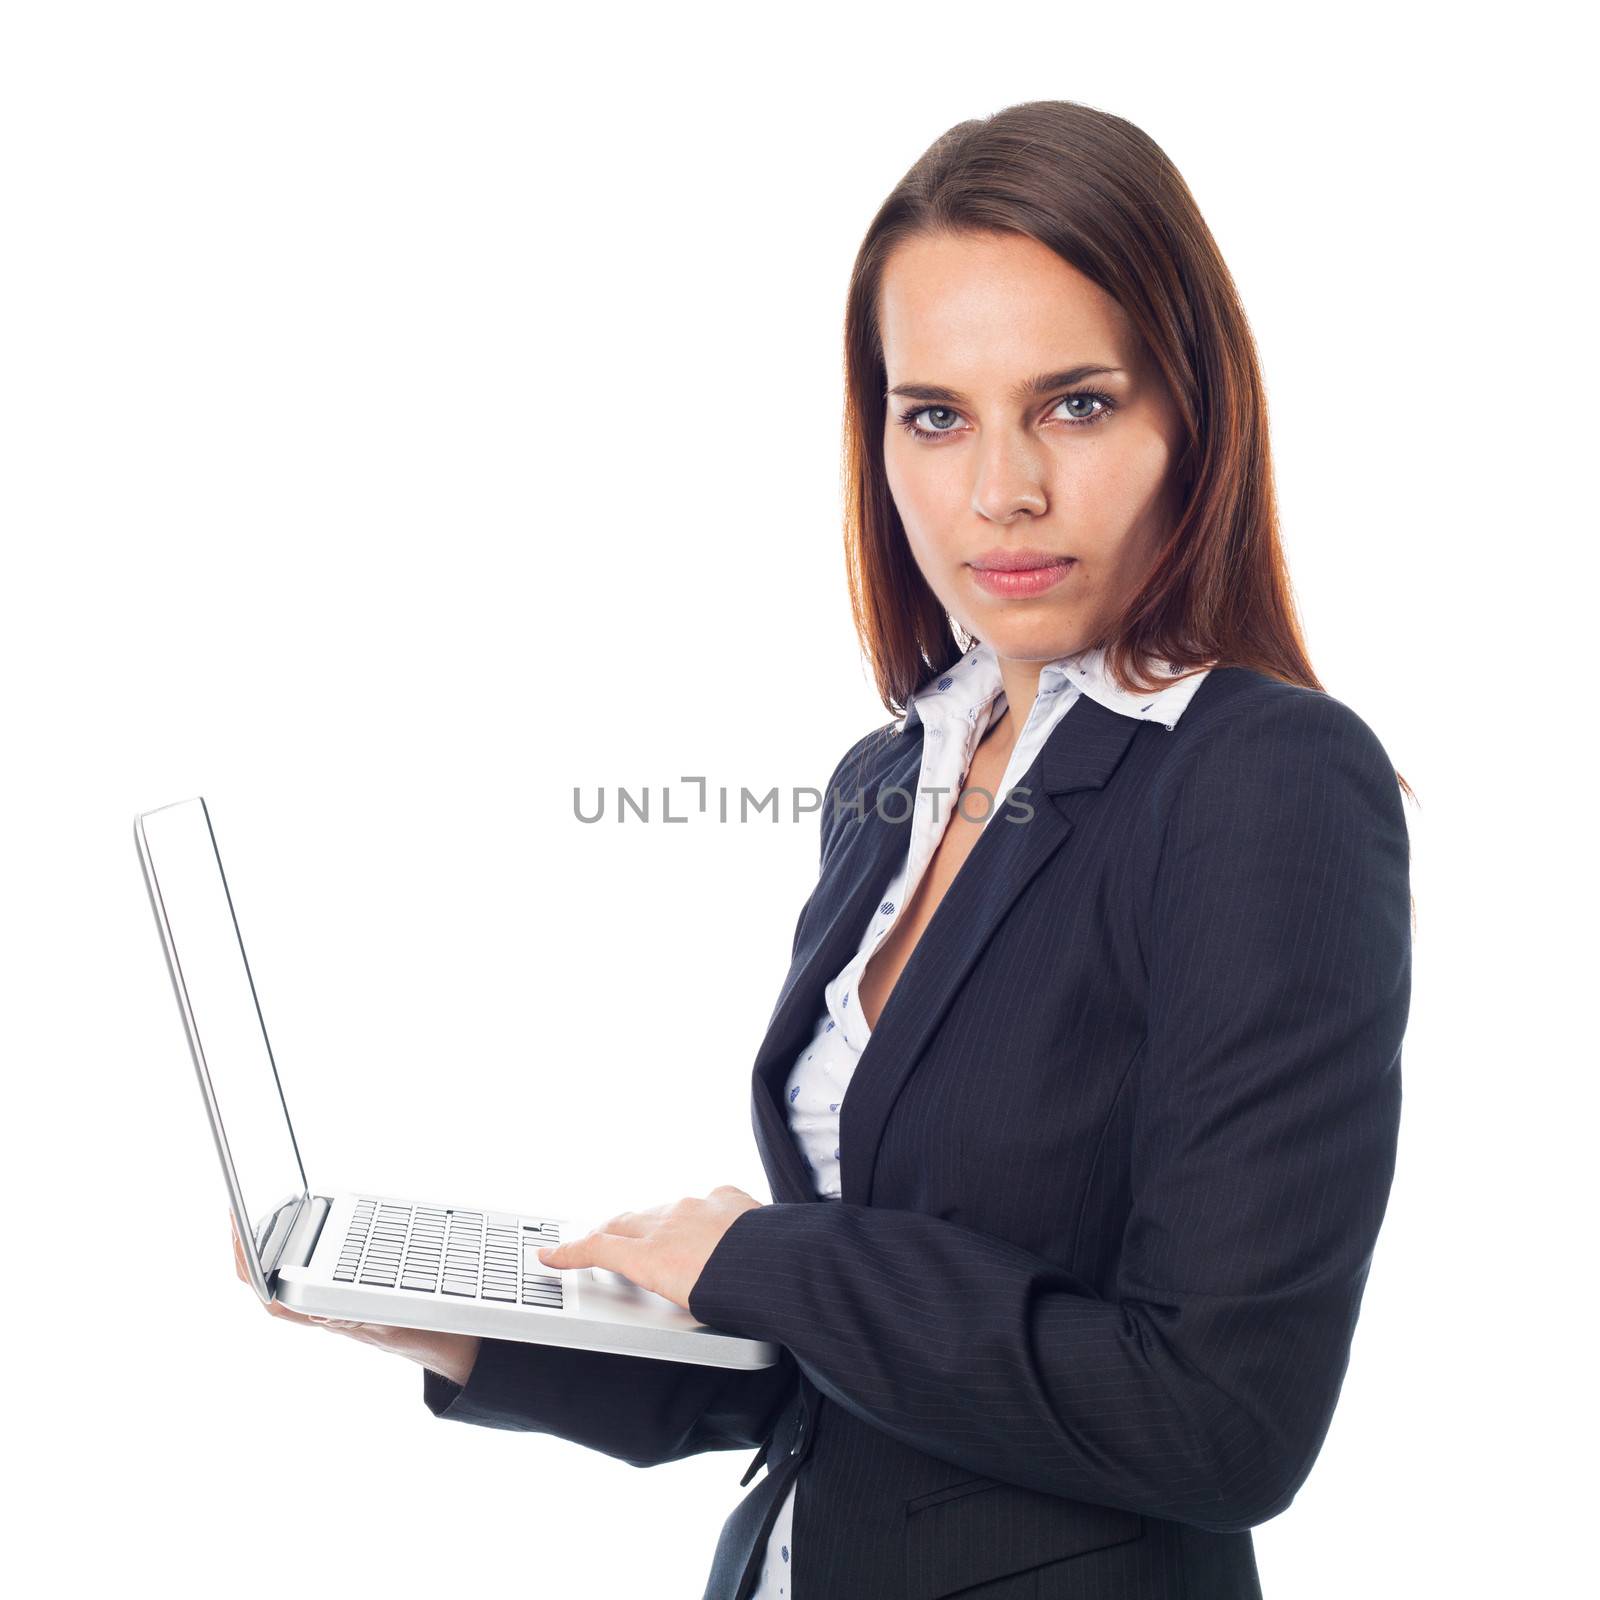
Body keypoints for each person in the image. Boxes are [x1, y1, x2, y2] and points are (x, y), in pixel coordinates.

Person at [234, 99, 1414, 1599]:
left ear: (1194, 413)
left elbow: (1218, 1421)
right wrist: (468, 1327)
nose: (1003, 492)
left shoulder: (1266, 779)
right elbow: (848, 1378)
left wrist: (758, 1255)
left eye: (1076, 403)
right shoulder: (894, 776)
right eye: (937, 415)